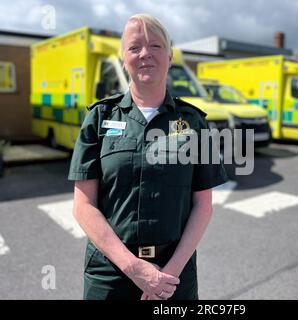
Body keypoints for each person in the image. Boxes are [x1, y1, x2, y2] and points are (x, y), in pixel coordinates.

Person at [68, 13, 228, 300]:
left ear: (170, 57)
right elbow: (83, 205)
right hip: (110, 273)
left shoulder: (194, 122)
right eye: (134, 47)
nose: (145, 54)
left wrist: (166, 277)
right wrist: (136, 270)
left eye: (155, 45)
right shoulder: (99, 118)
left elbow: (203, 206)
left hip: (173, 274)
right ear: (123, 58)